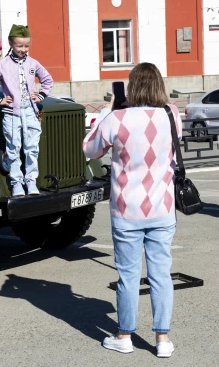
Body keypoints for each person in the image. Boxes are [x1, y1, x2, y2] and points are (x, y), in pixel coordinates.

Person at [83, 63, 180, 358]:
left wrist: (105, 112)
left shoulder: (117, 119)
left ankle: (124, 335)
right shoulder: (171, 114)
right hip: (163, 206)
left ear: (132, 87)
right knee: (161, 273)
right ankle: (162, 339)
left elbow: (89, 149)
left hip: (127, 209)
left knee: (127, 274)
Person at [0, 24, 53, 197]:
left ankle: (31, 180)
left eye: (26, 46)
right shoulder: (2, 65)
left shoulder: (33, 63)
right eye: (19, 46)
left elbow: (48, 79)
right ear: (11, 44)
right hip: (11, 114)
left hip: (31, 112)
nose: (23, 49)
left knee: (31, 148)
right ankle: (17, 183)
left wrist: (41, 95)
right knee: (13, 148)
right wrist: (0, 99)